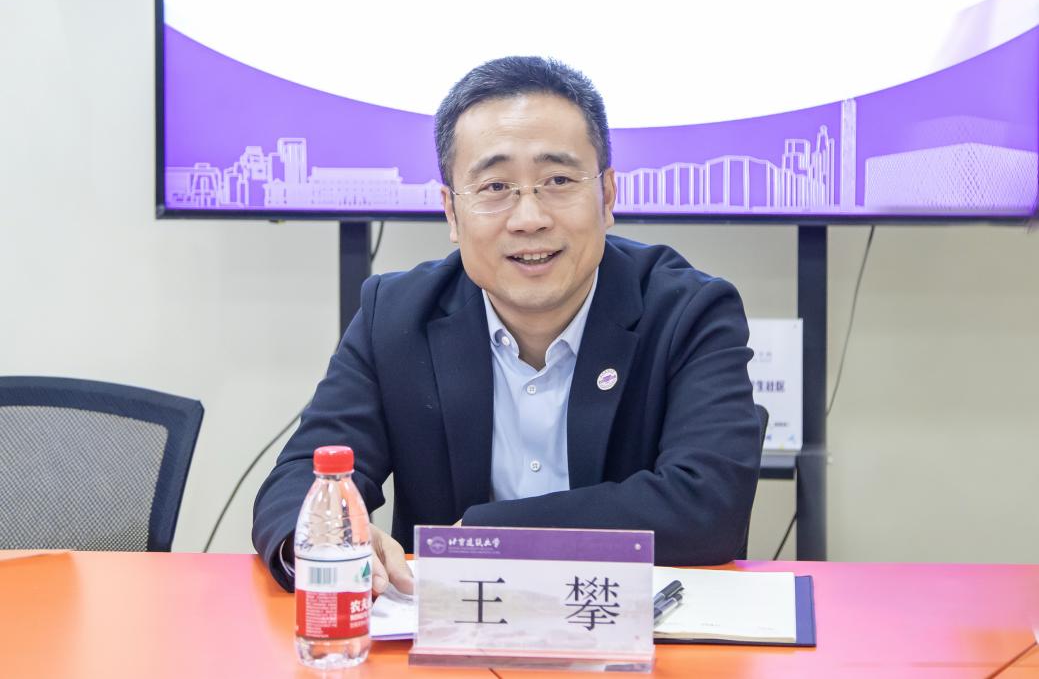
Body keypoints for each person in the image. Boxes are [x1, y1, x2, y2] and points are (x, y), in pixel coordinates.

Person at [252, 56, 761, 594]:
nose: (529, 219)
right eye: (495, 187)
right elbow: (303, 477)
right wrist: (325, 538)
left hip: (631, 626)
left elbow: (707, 505)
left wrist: (486, 534)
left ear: (607, 196)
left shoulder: (688, 313)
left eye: (558, 180)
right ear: (451, 212)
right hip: (453, 632)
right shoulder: (397, 315)